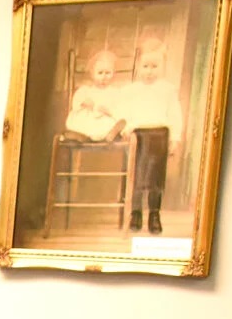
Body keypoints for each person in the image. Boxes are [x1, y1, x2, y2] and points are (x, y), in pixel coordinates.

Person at [117, 38, 185, 234]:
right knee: (136, 177)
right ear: (138, 66)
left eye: (154, 66)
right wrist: (126, 127)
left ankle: (154, 214)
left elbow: (175, 115)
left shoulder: (167, 90)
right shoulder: (131, 91)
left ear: (162, 67)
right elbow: (124, 112)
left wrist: (175, 138)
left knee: (155, 179)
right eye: (145, 66)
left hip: (159, 136)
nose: (149, 71)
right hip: (138, 136)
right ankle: (135, 213)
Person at [64, 49, 126, 143]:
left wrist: (109, 111)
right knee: (80, 119)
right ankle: (80, 135)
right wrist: (84, 103)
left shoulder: (115, 92)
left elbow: (119, 108)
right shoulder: (86, 90)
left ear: (114, 74)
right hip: (89, 120)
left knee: (112, 123)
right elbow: (77, 101)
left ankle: (110, 135)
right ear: (92, 74)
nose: (104, 77)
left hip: (104, 121)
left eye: (108, 73)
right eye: (100, 73)